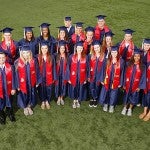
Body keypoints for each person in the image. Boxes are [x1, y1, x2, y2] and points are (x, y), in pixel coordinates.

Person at [15, 45, 41, 116]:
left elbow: (37, 71)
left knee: (31, 93)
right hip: (22, 83)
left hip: (31, 81)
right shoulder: (17, 62)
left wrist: (38, 81)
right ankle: (25, 107)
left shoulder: (34, 60)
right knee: (23, 95)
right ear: (21, 53)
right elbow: (16, 75)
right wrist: (17, 85)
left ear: (30, 53)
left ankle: (29, 106)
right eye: (24, 53)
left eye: (27, 52)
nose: (26, 54)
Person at [99, 46, 124, 113]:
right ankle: (106, 104)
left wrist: (121, 83)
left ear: (117, 52)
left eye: (115, 52)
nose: (114, 53)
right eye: (112, 52)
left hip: (116, 81)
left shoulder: (121, 61)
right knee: (106, 92)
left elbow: (122, 73)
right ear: (110, 53)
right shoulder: (107, 60)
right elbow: (102, 70)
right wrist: (102, 79)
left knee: (113, 94)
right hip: (107, 80)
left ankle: (112, 106)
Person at [121, 48, 146, 116]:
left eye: (138, 56)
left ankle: (130, 109)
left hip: (136, 85)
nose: (136, 57)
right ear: (133, 56)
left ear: (140, 57)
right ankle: (125, 107)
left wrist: (140, 87)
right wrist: (123, 83)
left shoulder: (143, 66)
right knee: (126, 96)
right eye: (135, 56)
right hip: (127, 84)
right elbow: (124, 74)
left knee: (134, 97)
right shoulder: (128, 64)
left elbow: (143, 77)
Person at [67, 41, 89, 108]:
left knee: (80, 88)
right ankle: (74, 100)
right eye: (78, 48)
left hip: (81, 76)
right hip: (73, 76)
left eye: (81, 48)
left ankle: (78, 100)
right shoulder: (71, 56)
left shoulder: (86, 57)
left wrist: (86, 78)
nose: (79, 49)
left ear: (82, 49)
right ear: (76, 48)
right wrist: (68, 78)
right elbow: (68, 67)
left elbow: (87, 68)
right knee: (74, 88)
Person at [37, 42, 56, 109]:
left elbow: (54, 68)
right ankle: (42, 101)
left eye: (46, 48)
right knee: (41, 89)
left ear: (48, 49)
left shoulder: (51, 57)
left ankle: (47, 100)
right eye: (43, 48)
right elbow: (36, 69)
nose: (44, 50)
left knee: (49, 89)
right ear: (40, 49)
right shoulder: (38, 57)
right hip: (41, 77)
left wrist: (54, 77)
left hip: (49, 77)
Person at [88, 41, 106, 107]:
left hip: (99, 75)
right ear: (93, 48)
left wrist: (102, 78)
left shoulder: (103, 56)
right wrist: (88, 75)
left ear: (100, 47)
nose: (96, 49)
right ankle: (91, 98)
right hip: (92, 74)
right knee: (91, 86)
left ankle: (95, 98)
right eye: (95, 48)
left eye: (98, 47)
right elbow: (88, 66)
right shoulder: (90, 55)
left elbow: (104, 68)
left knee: (97, 87)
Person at [0, 51, 16, 124]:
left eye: (3, 57)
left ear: (6, 58)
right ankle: (2, 115)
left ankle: (10, 113)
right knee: (0, 103)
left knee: (9, 101)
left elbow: (13, 78)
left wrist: (13, 88)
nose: (2, 59)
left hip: (8, 89)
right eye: (0, 58)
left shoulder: (10, 67)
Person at [139, 38, 150, 121]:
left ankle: (149, 114)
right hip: (143, 76)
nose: (147, 46)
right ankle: (145, 111)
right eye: (145, 45)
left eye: (148, 45)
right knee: (145, 94)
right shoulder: (140, 52)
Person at [55, 40, 68, 105]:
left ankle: (62, 97)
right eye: (61, 48)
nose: (62, 49)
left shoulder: (67, 56)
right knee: (58, 85)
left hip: (64, 73)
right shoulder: (56, 56)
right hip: (57, 73)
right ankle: (58, 98)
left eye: (63, 48)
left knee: (63, 85)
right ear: (58, 48)